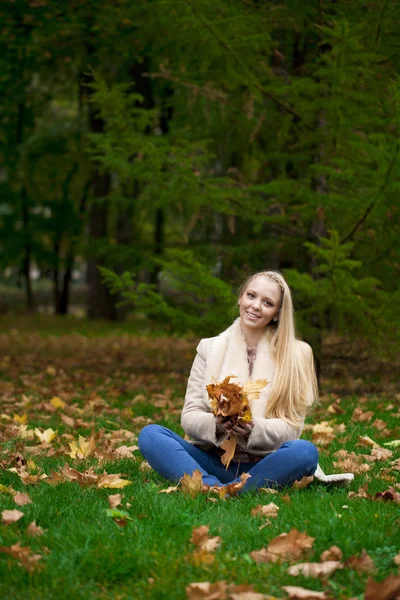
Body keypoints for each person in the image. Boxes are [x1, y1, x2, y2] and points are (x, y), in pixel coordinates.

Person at [138, 270, 353, 492]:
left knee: (305, 452)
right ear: (241, 297)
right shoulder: (208, 348)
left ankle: (228, 489)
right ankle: (216, 487)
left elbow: (292, 427)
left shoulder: (297, 354)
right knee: (151, 435)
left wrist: (253, 429)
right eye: (251, 296)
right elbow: (190, 414)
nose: (256, 305)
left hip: (267, 464)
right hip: (213, 460)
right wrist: (216, 424)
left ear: (277, 313)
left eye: (267, 302)